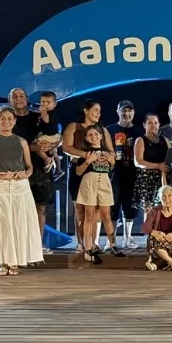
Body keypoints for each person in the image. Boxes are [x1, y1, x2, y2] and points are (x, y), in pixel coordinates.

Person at [0, 105, 42, 276]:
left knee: (18, 223)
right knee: (0, 224)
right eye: (3, 118)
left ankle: (16, 262)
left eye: (10, 118)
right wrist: (0, 176)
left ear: (15, 121)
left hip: (20, 186)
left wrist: (25, 173)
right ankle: (3, 262)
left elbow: (30, 167)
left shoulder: (21, 141)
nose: (6, 121)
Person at [8, 88, 59, 255]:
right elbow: (8, 142)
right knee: (18, 209)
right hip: (17, 169)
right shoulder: (8, 119)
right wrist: (32, 147)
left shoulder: (38, 116)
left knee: (40, 207)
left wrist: (50, 146)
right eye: (14, 96)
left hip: (40, 169)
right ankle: (19, 246)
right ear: (10, 101)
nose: (18, 99)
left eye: (21, 95)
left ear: (27, 98)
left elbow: (53, 134)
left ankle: (37, 245)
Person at [62, 100, 113, 252]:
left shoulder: (103, 130)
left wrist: (109, 158)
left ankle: (93, 243)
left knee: (96, 210)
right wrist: (86, 155)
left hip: (98, 173)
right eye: (96, 110)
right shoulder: (74, 127)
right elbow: (66, 147)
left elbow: (111, 151)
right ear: (86, 110)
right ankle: (81, 243)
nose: (98, 113)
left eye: (100, 110)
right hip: (80, 170)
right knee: (80, 208)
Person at [75, 125, 119, 263]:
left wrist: (112, 163)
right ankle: (88, 246)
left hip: (104, 181)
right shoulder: (86, 153)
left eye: (96, 134)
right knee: (89, 215)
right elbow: (78, 172)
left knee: (106, 214)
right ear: (87, 138)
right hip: (90, 182)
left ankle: (113, 245)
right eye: (90, 135)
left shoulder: (108, 152)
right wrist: (88, 160)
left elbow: (110, 169)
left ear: (101, 136)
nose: (94, 137)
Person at [106, 100, 144, 249]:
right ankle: (112, 240)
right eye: (123, 111)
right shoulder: (110, 130)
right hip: (114, 175)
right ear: (118, 112)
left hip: (133, 175)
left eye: (129, 111)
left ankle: (128, 238)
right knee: (112, 207)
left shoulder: (139, 131)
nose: (126, 114)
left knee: (130, 207)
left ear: (133, 113)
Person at [142, 185, 172, 272]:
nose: (166, 198)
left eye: (169, 195)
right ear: (160, 198)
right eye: (163, 196)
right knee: (152, 238)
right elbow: (145, 227)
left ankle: (157, 264)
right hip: (159, 241)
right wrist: (154, 232)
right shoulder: (154, 210)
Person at [133, 113, 170, 212]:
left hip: (163, 178)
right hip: (147, 180)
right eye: (150, 123)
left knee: (163, 211)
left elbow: (171, 158)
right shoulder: (140, 140)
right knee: (150, 214)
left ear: (159, 125)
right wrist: (158, 166)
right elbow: (138, 162)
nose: (153, 125)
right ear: (144, 125)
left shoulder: (165, 140)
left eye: (155, 123)